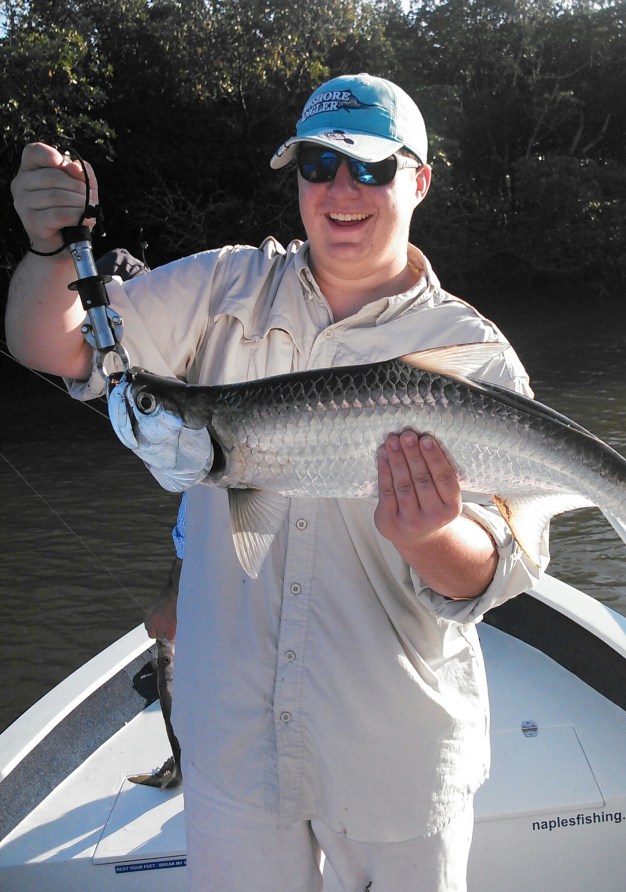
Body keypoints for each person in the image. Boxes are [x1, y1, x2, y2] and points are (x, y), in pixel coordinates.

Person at [7, 73, 546, 892]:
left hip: (396, 756)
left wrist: (433, 535)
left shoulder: (472, 351)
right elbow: (57, 348)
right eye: (318, 164)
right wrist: (51, 248)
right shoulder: (222, 286)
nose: (340, 190)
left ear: (419, 181)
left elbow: (499, 570)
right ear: (295, 176)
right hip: (233, 750)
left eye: (370, 169)